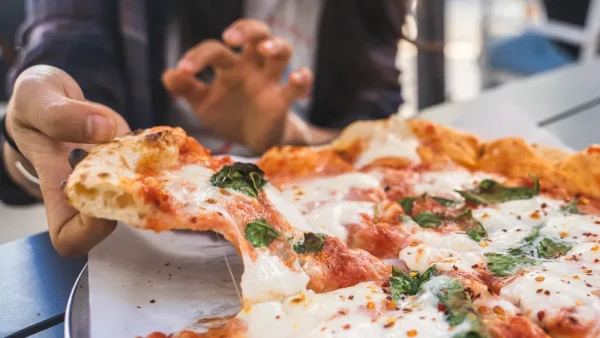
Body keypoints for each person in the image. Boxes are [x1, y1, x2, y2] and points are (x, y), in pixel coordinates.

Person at [0, 1, 406, 257]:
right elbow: (65, 63)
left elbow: (375, 132)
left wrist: (292, 137)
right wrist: (33, 140)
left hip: (327, 229)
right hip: (135, 257)